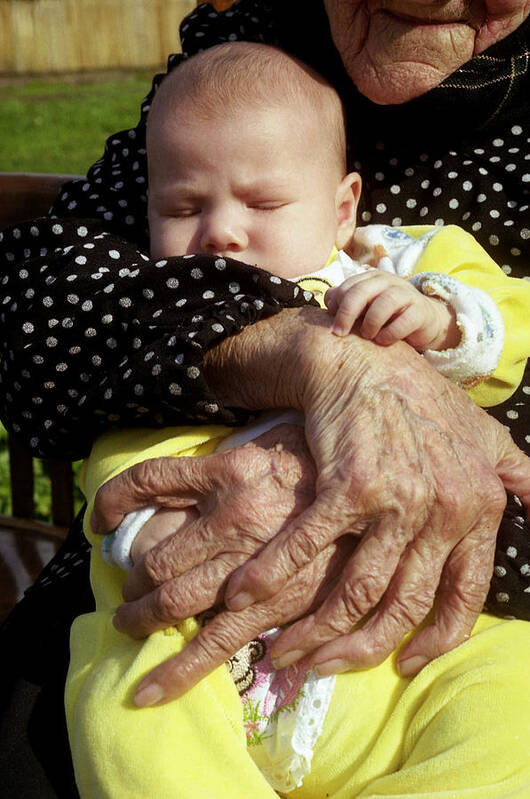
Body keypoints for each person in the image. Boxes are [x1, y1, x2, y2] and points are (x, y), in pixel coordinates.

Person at [1, 2, 529, 796]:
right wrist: (153, 534)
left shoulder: (392, 263)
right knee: (124, 707)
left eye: (264, 205)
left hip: (424, 641)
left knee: (509, 699)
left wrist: (450, 320)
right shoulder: (242, 51)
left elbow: (505, 317)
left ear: (346, 207)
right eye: (182, 210)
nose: (219, 234)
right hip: (201, 630)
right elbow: (108, 423)